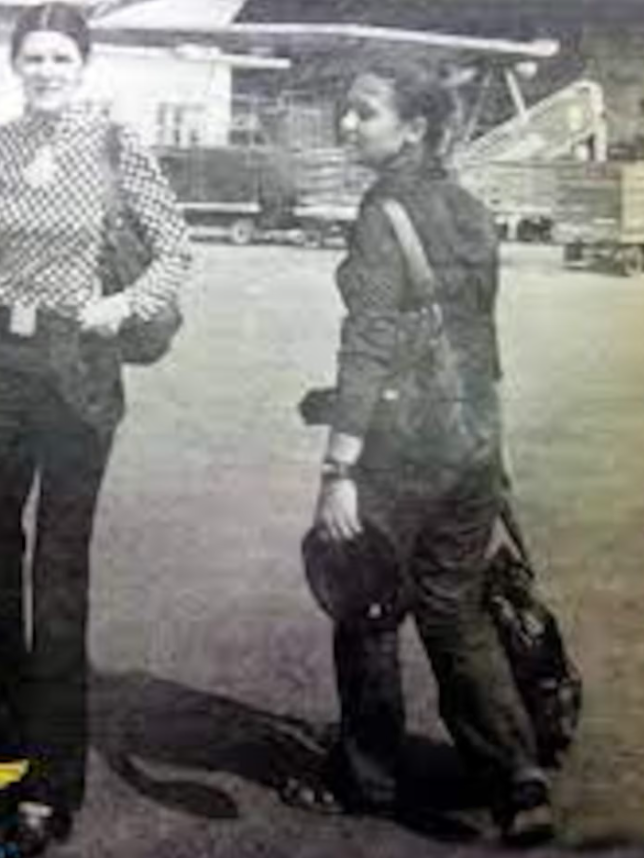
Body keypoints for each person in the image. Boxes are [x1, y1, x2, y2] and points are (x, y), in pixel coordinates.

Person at [0, 4, 191, 853]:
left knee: (58, 570)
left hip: (78, 368)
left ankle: (47, 786)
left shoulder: (116, 143)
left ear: (83, 64)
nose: (47, 71)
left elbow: (176, 249)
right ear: (15, 63)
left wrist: (122, 304)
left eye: (62, 57)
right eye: (35, 57)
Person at [284, 59, 555, 846]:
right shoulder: (467, 206)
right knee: (454, 608)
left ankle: (366, 779)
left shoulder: (382, 211)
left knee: (365, 604)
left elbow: (369, 344)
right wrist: (486, 446)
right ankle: (517, 778)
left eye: (364, 112)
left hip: (400, 449)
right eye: (345, 109)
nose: (346, 124)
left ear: (415, 127)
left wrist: (338, 469)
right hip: (471, 437)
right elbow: (471, 338)